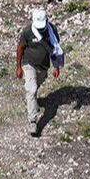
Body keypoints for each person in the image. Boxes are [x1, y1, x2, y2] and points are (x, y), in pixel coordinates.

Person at [16, 9, 63, 137]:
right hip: (29, 64)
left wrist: (56, 66)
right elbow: (20, 48)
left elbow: (55, 47)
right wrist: (19, 67)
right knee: (31, 90)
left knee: (37, 84)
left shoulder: (51, 30)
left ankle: (31, 99)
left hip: (43, 66)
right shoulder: (27, 32)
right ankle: (33, 121)